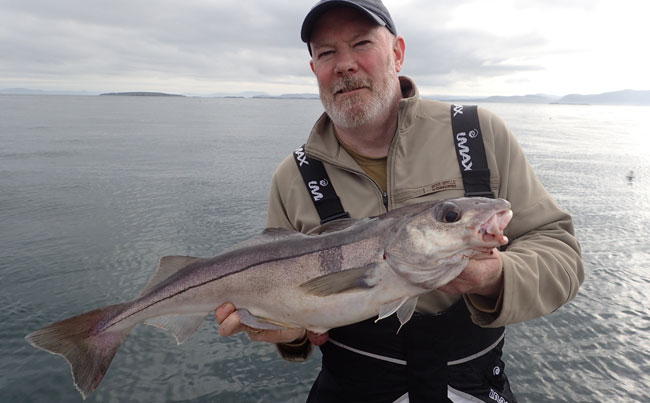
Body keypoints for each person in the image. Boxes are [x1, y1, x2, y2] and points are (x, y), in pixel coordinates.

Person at [216, 1, 584, 402]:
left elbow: (561, 254)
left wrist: (495, 279)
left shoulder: (479, 134)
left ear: (397, 52)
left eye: (361, 44)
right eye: (326, 53)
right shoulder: (292, 177)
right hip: (352, 387)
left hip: (473, 382)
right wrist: (288, 334)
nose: (345, 65)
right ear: (314, 70)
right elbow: (293, 323)